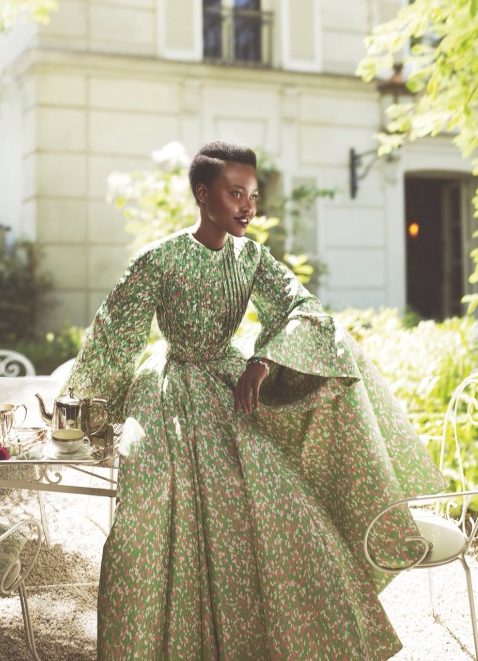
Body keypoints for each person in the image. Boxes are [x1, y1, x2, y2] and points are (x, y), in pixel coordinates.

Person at [66, 141, 445, 660]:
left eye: (253, 195)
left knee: (282, 508)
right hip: (170, 393)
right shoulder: (158, 260)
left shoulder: (252, 258)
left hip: (232, 384)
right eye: (235, 193)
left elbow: (304, 310)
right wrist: (85, 414)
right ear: (204, 195)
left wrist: (263, 360)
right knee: (150, 510)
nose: (248, 205)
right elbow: (116, 339)